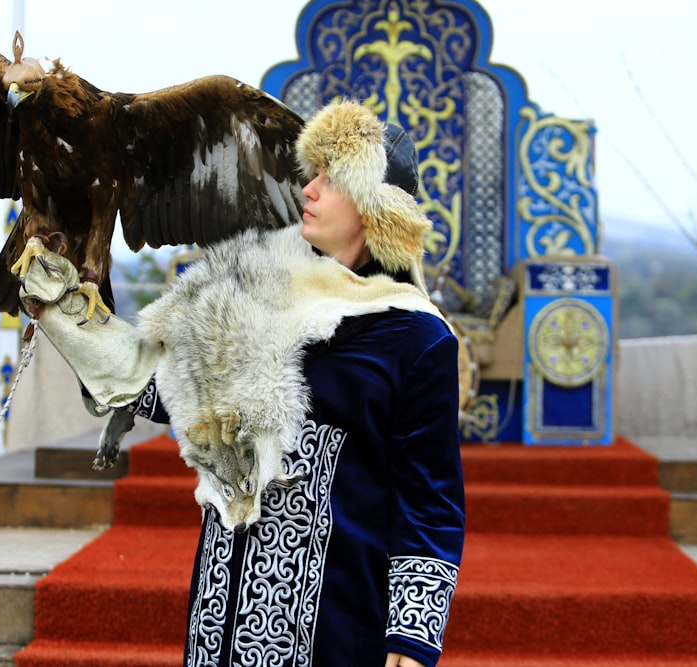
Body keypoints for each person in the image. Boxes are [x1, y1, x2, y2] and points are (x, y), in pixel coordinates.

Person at [124, 100, 465, 667]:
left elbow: (428, 501)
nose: (307, 190)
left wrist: (412, 633)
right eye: (312, 175)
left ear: (372, 207)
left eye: (330, 180)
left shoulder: (417, 338)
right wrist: (76, 325)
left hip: (334, 625)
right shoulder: (258, 297)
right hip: (221, 618)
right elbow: (174, 395)